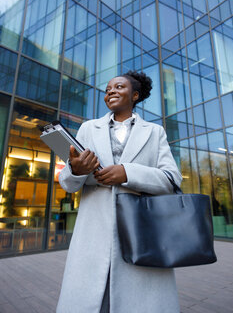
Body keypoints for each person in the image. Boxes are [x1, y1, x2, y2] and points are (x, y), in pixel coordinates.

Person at [57, 71, 182, 313]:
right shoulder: (88, 129)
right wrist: (76, 169)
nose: (111, 91)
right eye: (107, 89)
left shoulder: (154, 132)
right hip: (93, 238)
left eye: (119, 87)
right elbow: (67, 183)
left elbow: (172, 180)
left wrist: (128, 174)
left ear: (135, 95)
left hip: (141, 235)